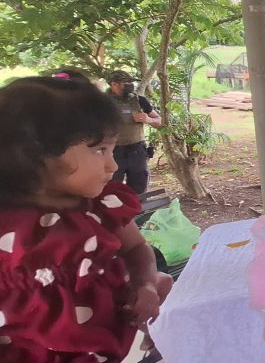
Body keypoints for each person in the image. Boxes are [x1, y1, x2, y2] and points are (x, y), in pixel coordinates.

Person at [0, 76, 171, 362]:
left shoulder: (104, 206)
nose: (112, 165)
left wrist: (145, 284)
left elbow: (136, 248)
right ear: (37, 155)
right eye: (100, 150)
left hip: (112, 342)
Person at [105, 70, 162, 194]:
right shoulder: (101, 102)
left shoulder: (139, 100)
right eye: (126, 82)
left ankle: (140, 212)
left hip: (137, 150)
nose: (130, 85)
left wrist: (148, 119)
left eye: (131, 82)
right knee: (111, 190)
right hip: (112, 152)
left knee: (139, 188)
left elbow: (159, 121)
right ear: (114, 84)